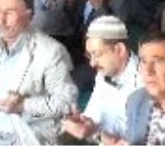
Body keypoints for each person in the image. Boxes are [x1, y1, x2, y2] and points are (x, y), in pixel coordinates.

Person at [0, 0, 78, 146]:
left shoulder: (50, 51)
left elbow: (65, 101)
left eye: (9, 13)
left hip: (29, 134)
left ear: (28, 16)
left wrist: (23, 105)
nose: (1, 19)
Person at [61, 15, 142, 143]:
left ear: (119, 50)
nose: (92, 63)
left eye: (97, 54)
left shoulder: (147, 84)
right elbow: (93, 118)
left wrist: (98, 135)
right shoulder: (103, 75)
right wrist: (85, 124)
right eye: (89, 56)